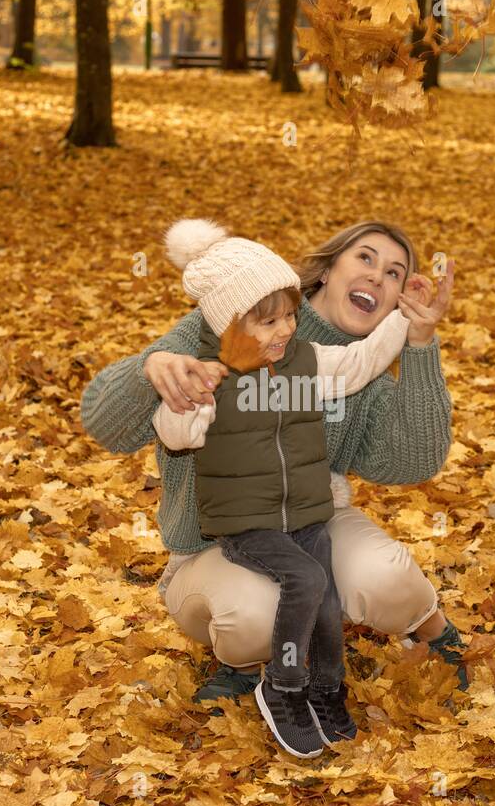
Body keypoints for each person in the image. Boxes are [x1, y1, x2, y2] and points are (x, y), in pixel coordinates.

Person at [79, 220, 465, 703]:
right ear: (327, 270)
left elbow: (414, 462)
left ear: (396, 301)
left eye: (393, 273)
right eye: (364, 258)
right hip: (213, 541)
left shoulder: (361, 371)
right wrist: (148, 369)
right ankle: (245, 662)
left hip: (311, 524)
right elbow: (104, 425)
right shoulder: (234, 319)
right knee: (254, 613)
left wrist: (421, 340)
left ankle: (434, 633)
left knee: (383, 575)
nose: (376, 277)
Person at [150, 218, 417, 758]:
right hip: (246, 520)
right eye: (267, 321)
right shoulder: (210, 377)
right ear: (230, 324)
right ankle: (284, 686)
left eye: (290, 316)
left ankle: (326, 688)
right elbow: (172, 434)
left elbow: (360, 363)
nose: (284, 331)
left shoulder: (303, 360)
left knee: (327, 595)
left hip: (307, 510)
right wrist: (189, 408)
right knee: (304, 578)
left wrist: (406, 318)